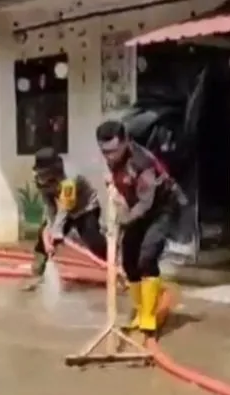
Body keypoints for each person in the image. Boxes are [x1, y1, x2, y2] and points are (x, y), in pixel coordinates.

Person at [96, 120, 184, 335]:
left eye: (113, 151)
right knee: (128, 261)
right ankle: (140, 309)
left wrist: (123, 220)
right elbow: (120, 191)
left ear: (126, 142)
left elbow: (146, 202)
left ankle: (149, 315)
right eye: (104, 152)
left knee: (147, 256)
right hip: (137, 207)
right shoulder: (113, 159)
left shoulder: (141, 162)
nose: (109, 156)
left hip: (161, 207)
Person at [23, 147, 106, 291]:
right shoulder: (39, 179)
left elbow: (65, 208)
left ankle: (116, 270)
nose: (42, 177)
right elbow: (49, 205)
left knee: (93, 240)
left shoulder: (70, 178)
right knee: (43, 239)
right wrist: (49, 230)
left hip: (85, 208)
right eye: (40, 173)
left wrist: (57, 231)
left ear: (54, 170)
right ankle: (38, 275)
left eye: (45, 173)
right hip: (62, 207)